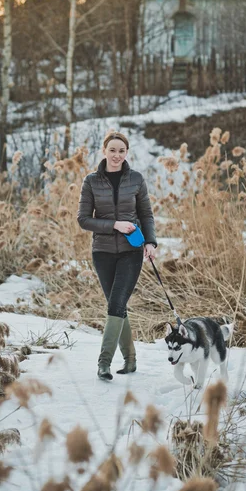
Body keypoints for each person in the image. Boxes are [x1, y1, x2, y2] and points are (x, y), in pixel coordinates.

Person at [77, 130, 157, 381]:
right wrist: (114, 224)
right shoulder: (91, 181)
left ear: (126, 153)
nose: (116, 155)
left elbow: (146, 214)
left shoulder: (136, 179)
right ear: (104, 151)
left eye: (121, 151)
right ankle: (131, 360)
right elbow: (83, 220)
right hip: (102, 252)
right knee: (117, 305)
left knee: (115, 304)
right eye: (112, 150)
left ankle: (104, 363)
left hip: (131, 252)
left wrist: (151, 242)